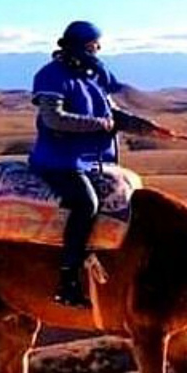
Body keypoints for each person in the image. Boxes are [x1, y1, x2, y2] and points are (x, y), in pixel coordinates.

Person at [29, 21, 176, 308]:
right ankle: (68, 280)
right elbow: (53, 118)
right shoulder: (51, 76)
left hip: (91, 161)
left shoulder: (92, 75)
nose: (97, 51)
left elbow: (115, 114)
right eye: (94, 45)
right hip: (59, 161)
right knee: (86, 203)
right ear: (83, 45)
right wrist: (101, 125)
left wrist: (150, 129)